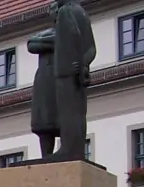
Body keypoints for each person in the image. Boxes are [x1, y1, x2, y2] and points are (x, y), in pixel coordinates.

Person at [45, 0, 96, 162]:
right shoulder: (80, 12)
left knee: (68, 113)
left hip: (65, 72)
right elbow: (91, 48)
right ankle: (74, 149)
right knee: (78, 113)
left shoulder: (66, 11)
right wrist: (83, 65)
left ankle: (68, 150)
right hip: (72, 72)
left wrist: (79, 65)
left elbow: (78, 40)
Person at [27, 27, 58, 159]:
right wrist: (53, 41)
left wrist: (42, 41)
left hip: (64, 79)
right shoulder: (48, 32)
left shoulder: (74, 29)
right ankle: (46, 156)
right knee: (44, 121)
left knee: (62, 119)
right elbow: (31, 45)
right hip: (45, 79)